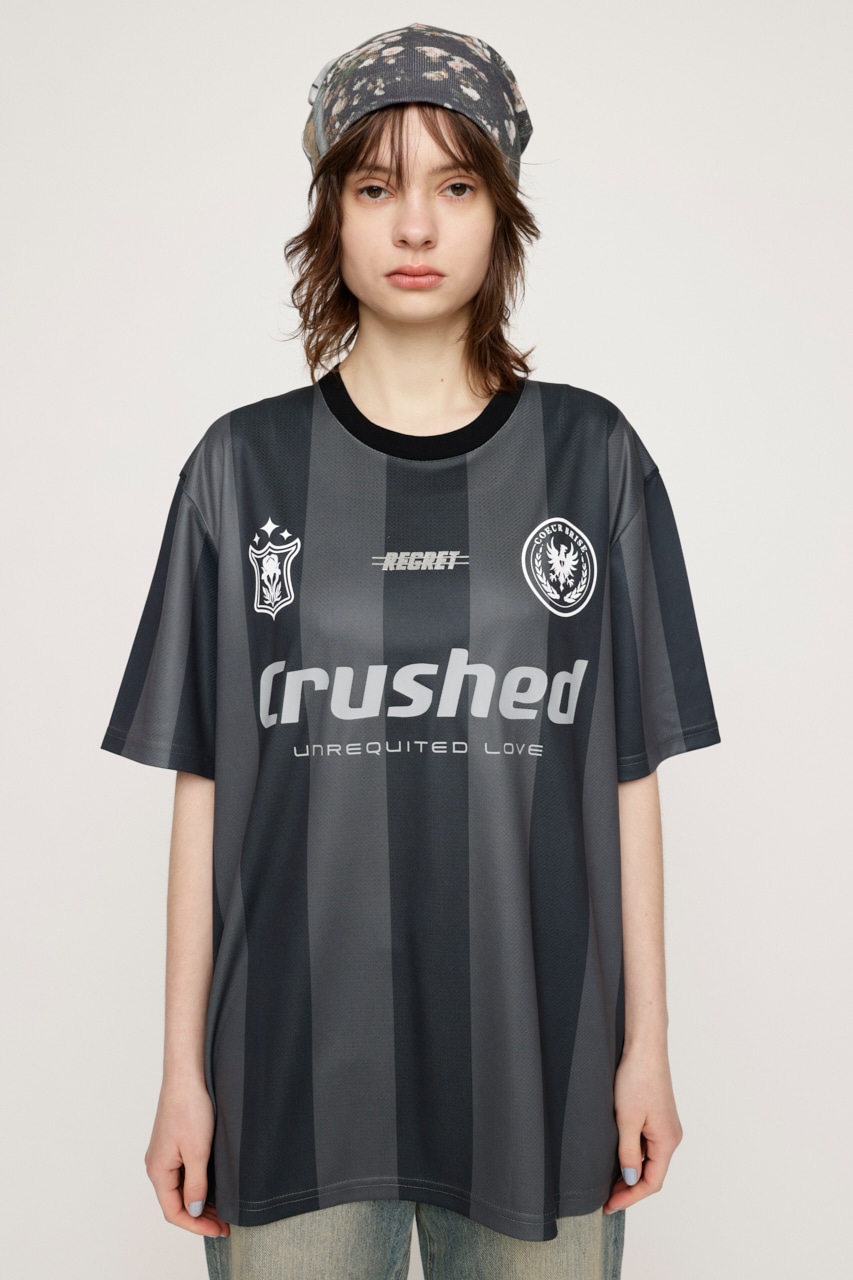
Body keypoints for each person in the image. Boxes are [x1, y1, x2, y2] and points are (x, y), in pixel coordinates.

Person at [100, 22, 721, 1280]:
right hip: (286, 1082)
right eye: (377, 187)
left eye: (456, 185)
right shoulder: (240, 468)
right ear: (330, 214)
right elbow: (203, 787)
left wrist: (646, 1047)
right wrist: (181, 1073)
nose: (417, 225)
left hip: (542, 1078)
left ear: (503, 212)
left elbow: (629, 775)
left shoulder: (593, 459)